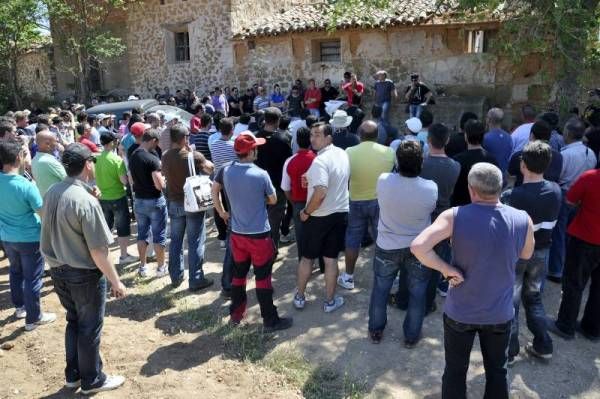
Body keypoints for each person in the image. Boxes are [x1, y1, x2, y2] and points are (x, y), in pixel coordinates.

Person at [411, 162, 534, 399]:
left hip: (460, 312)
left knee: (455, 372)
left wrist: (446, 269)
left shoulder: (454, 216)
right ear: (502, 188)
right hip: (500, 313)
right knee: (498, 372)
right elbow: (526, 254)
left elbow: (418, 246)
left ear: (471, 190)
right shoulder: (523, 219)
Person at [41, 143, 127, 394]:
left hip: (57, 269)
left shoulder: (53, 191)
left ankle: (74, 375)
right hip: (83, 273)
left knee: (74, 321)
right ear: (88, 164)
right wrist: (116, 281)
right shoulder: (85, 201)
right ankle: (93, 379)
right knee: (89, 327)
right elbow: (99, 251)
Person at [215, 132, 293, 332]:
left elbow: (214, 190)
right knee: (263, 277)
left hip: (237, 234)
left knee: (239, 276)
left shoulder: (226, 171)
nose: (258, 149)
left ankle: (236, 314)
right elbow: (274, 200)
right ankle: (270, 320)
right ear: (250, 151)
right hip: (259, 234)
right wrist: (260, 200)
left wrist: (222, 211)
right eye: (256, 147)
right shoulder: (260, 174)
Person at [368, 140, 437, 347]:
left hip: (387, 245)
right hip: (418, 248)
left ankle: (376, 329)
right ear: (421, 162)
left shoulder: (383, 180)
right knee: (417, 293)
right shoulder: (430, 188)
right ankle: (411, 336)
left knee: (381, 288)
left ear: (397, 161)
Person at [500, 141, 561, 363]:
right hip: (541, 252)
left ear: (523, 164)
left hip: (517, 254)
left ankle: (510, 352)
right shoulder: (556, 191)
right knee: (534, 297)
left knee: (512, 302)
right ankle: (543, 344)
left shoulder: (511, 196)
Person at [294, 122, 350, 313]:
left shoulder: (319, 161)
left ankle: (300, 297)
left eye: (317, 135)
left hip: (318, 216)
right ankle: (329, 301)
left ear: (328, 138)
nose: (312, 139)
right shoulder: (342, 154)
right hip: (339, 213)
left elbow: (321, 192)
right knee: (330, 259)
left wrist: (306, 212)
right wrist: (310, 176)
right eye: (311, 135)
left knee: (307, 258)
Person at [0, 141, 56, 331]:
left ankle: (20, 308)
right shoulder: (25, 185)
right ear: (18, 158)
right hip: (30, 238)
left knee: (15, 272)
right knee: (33, 277)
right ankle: (34, 318)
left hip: (7, 237)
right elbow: (42, 212)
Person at [338, 121, 395, 290]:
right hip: (379, 201)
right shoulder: (389, 152)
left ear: (359, 135)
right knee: (383, 239)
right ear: (377, 136)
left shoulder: (349, 152)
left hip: (355, 200)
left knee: (353, 239)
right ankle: (385, 276)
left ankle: (348, 276)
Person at [548, 166, 600, 342]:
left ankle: (565, 325)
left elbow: (570, 200)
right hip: (590, 238)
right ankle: (592, 328)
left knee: (574, 283)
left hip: (585, 238)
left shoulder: (590, 177)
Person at [162, 124, 215, 290]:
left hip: (174, 203)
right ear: (185, 138)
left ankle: (176, 277)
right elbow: (210, 168)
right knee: (195, 241)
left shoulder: (165, 156)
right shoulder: (193, 156)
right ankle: (196, 279)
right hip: (193, 204)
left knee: (176, 241)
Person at [548, 117, 597, 282]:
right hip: (581, 198)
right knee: (571, 233)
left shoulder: (565, 154)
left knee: (559, 233)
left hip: (565, 194)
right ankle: (566, 264)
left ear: (567, 133)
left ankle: (556, 269)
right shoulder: (590, 153)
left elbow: (558, 175)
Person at [128, 128, 168, 277]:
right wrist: (164, 181)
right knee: (159, 235)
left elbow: (131, 179)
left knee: (142, 234)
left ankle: (143, 267)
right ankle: (161, 267)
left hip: (139, 200)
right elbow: (159, 184)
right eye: (156, 143)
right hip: (154, 200)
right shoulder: (151, 159)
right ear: (152, 140)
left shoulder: (133, 155)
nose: (156, 146)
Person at [95, 131, 137, 265]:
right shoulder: (117, 159)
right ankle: (123, 256)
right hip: (118, 196)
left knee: (106, 227)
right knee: (122, 227)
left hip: (102, 197)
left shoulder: (96, 158)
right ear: (112, 142)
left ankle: (105, 256)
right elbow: (124, 181)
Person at [254, 107, 292, 250]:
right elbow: (288, 164)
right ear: (278, 121)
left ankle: (261, 248)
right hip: (277, 185)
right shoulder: (283, 139)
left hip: (258, 186)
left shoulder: (256, 138)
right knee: (275, 220)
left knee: (260, 219)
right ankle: (271, 249)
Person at [281, 127, 317, 262]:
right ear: (311, 140)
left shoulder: (289, 161)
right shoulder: (317, 159)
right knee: (317, 235)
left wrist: (293, 202)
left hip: (298, 204)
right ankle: (320, 262)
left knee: (301, 238)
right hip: (317, 203)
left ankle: (304, 262)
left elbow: (285, 188)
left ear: (296, 141)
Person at [451, 120, 498, 206]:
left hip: (461, 207)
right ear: (483, 136)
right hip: (485, 207)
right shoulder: (492, 160)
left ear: (466, 136)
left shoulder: (457, 160)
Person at [507, 119, 563, 186]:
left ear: (531, 135)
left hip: (522, 194)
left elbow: (510, 179)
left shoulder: (518, 156)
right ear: (549, 137)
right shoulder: (559, 157)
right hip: (550, 194)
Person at [31, 128, 67, 197]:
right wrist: (63, 154)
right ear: (47, 144)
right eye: (56, 141)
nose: (58, 143)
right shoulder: (48, 161)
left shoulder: (35, 158)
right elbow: (68, 180)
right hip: (57, 201)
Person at [482, 108, 513, 174]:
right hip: (503, 178)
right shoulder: (509, 137)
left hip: (490, 177)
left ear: (488, 120)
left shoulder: (485, 138)